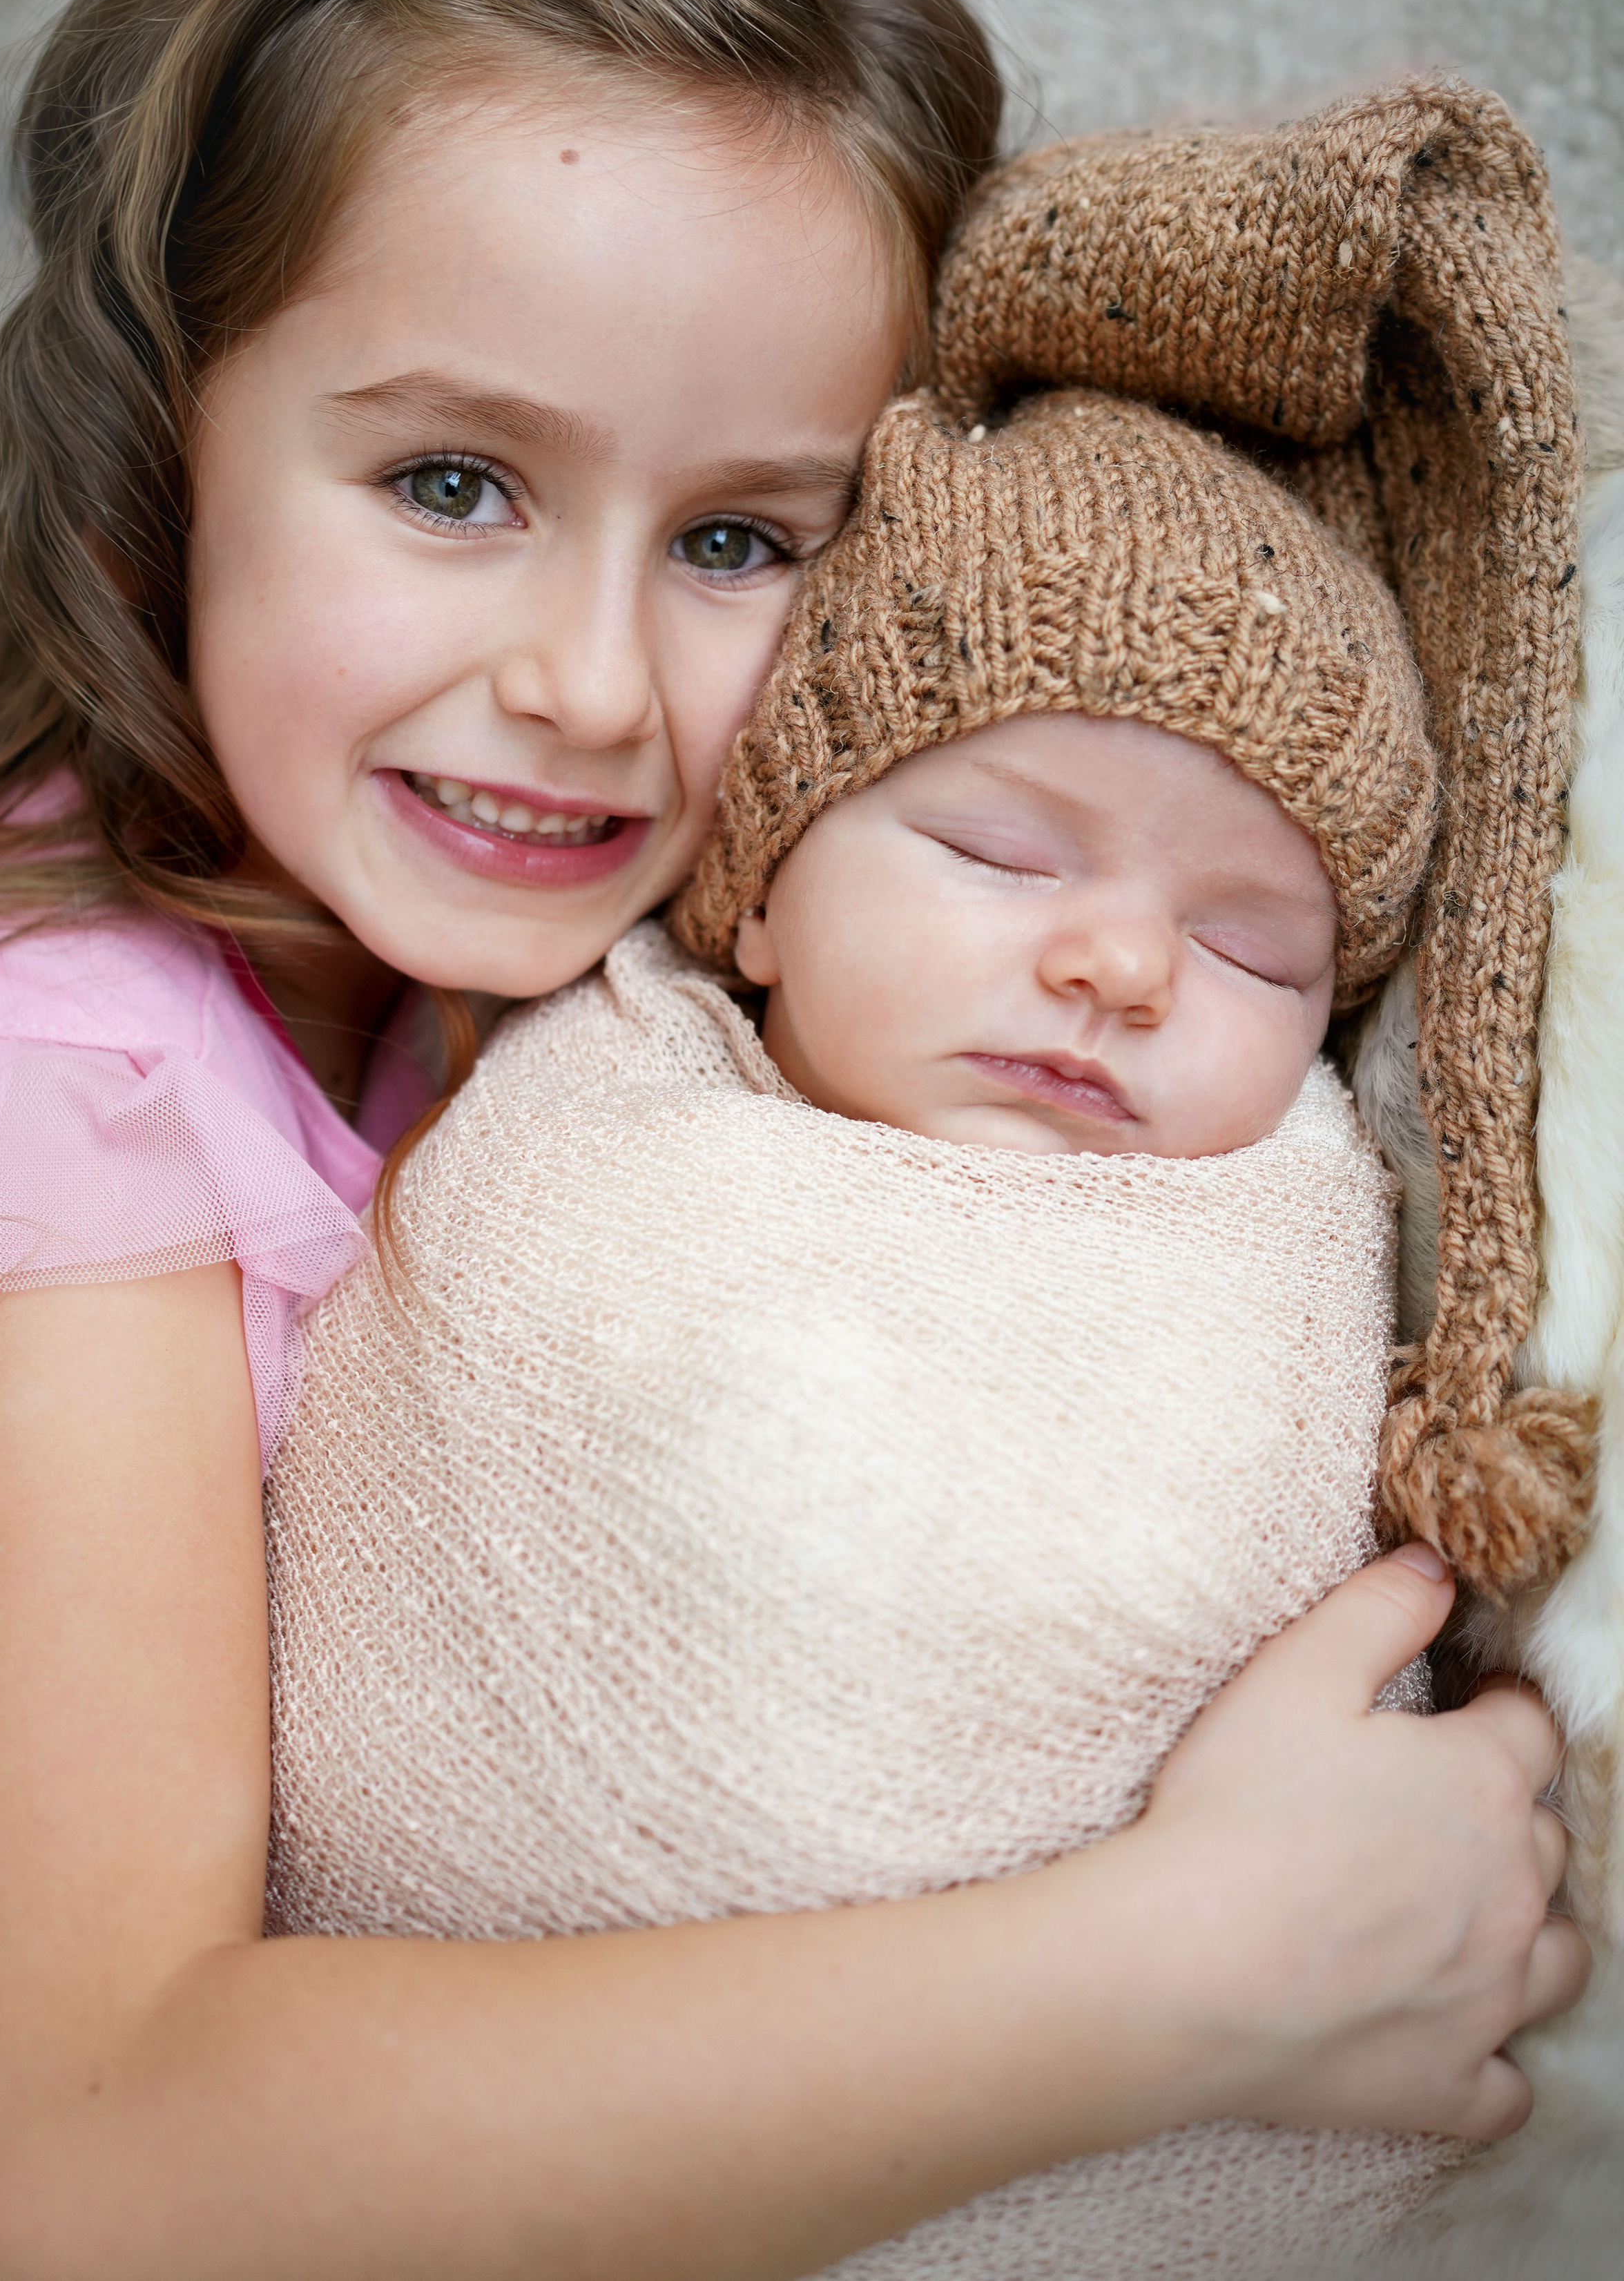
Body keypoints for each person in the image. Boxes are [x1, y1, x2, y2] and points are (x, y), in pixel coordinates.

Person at [0, 0, 1583, 2281]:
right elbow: (81, 2178)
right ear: (157, 465)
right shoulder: (57, 1069)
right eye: (453, 483)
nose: (582, 685)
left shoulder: (564, 1013)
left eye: (743, 541)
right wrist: (1189, 1980)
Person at [266, 383, 1447, 2278]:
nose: (1124, 964)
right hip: (478, 2120)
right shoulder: (572, 1143)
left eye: (1253, 948)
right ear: (761, 895)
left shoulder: (1277, 1228)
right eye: (1000, 852)